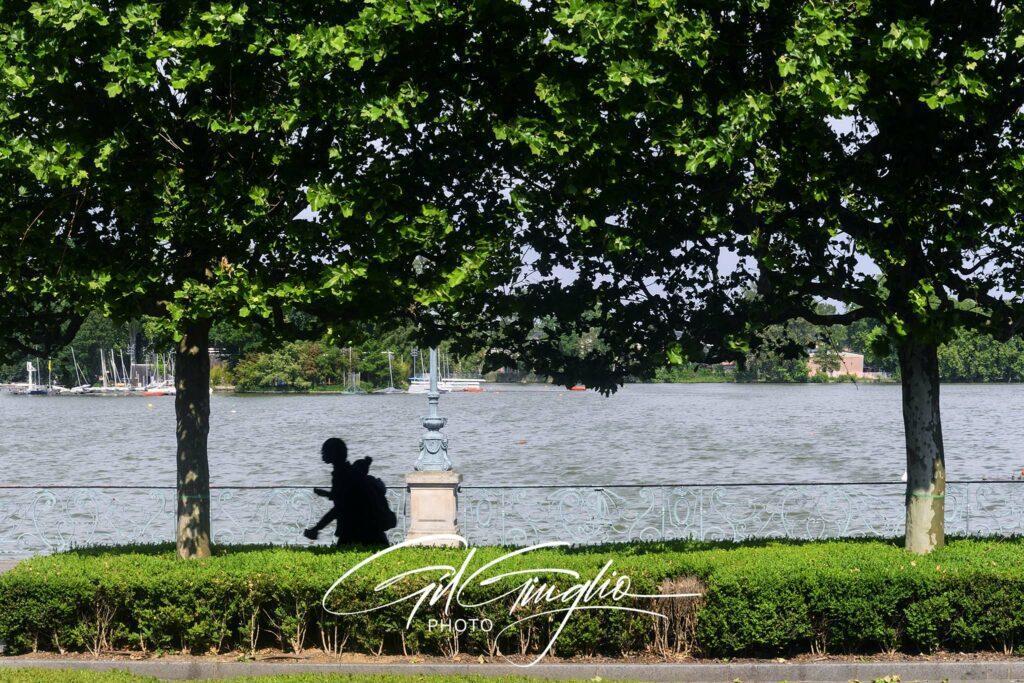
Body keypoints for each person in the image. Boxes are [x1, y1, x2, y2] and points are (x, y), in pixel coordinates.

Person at [303, 437, 395, 546]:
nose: (322, 453)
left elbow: (340, 507)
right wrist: (327, 494)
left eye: (325, 450)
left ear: (334, 453)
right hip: (368, 530)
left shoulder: (341, 475)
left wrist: (317, 528)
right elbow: (346, 498)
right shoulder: (348, 473)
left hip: (357, 531)